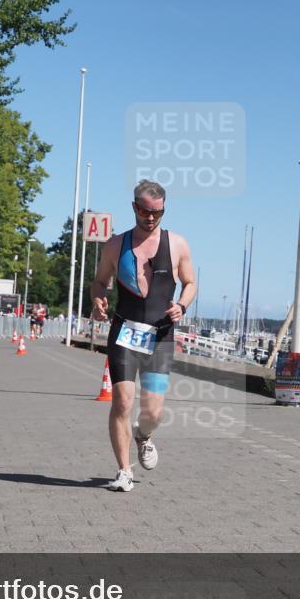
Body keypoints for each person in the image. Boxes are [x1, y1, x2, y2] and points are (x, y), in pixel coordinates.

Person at [90, 180, 196, 492]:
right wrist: (98, 301)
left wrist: (182, 305)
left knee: (153, 411)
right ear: (135, 207)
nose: (151, 218)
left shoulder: (176, 244)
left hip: (160, 337)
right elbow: (99, 282)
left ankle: (144, 435)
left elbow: (190, 283)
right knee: (122, 401)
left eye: (158, 212)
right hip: (124, 332)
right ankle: (123, 471)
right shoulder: (116, 245)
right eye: (146, 211)